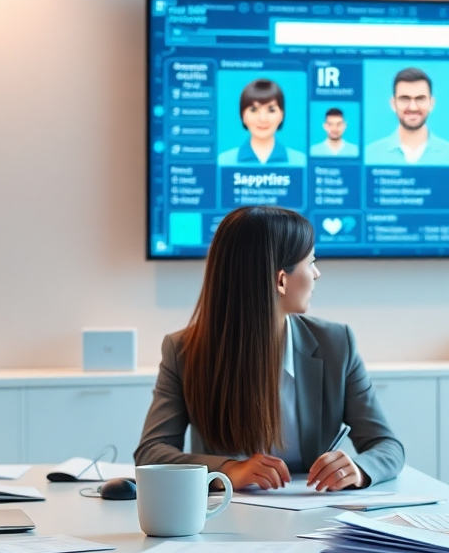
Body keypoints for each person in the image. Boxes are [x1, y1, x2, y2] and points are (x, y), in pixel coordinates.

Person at [136, 206, 404, 491]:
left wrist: (357, 470)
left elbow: (386, 445)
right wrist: (228, 470)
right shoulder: (183, 351)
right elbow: (151, 452)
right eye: (310, 262)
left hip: (316, 508)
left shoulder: (336, 344)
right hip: (224, 510)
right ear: (281, 280)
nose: (316, 274)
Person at [364, 67, 449, 166]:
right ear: (393, 104)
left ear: (431, 104)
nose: (413, 107)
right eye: (404, 99)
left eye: (420, 99)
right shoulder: (369, 156)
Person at [218, 79, 307, 166]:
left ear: (281, 115)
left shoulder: (301, 162)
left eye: (271, 110)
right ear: (243, 116)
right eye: (254, 110)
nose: (263, 119)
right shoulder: (223, 162)